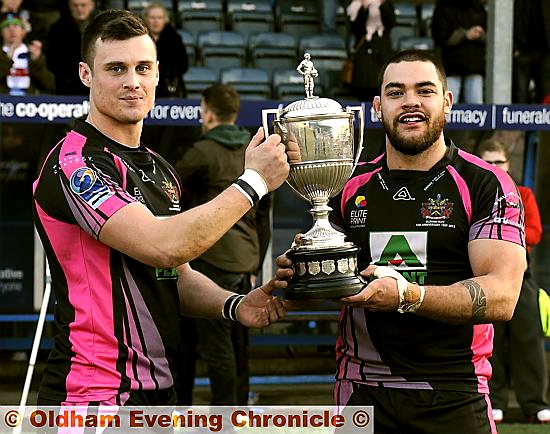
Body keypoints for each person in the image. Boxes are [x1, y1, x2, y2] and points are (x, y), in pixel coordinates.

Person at [32, 9, 290, 408]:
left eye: (142, 68)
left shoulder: (159, 166)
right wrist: (253, 182)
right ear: (86, 75)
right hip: (94, 398)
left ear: (157, 74)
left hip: (159, 394)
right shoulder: (74, 163)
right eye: (116, 69)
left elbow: (174, 275)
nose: (132, 82)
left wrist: (235, 305)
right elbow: (165, 246)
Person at [275, 49, 526, 433]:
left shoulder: (485, 183)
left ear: (447, 101)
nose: (410, 101)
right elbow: (336, 278)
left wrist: (410, 296)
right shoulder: (346, 186)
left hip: (454, 390)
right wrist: (303, 269)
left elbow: (503, 295)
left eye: (424, 90)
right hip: (362, 390)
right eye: (395, 93)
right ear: (377, 107)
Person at [175, 84, 272, 405]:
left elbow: (167, 191)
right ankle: (237, 411)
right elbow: (264, 219)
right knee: (237, 342)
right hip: (245, 262)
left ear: (209, 113)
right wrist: (255, 264)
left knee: (213, 346)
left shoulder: (201, 152)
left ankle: (220, 419)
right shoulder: (254, 150)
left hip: (208, 261)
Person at [476, 139, 550, 424]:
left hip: (521, 275)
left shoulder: (524, 194)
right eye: (489, 161)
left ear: (508, 164)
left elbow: (534, 233)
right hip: (483, 274)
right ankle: (494, 401)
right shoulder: (474, 191)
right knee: (490, 335)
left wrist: (499, 234)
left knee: (528, 334)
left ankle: (534, 403)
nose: (494, 167)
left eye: (499, 162)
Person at [431, 0, 486, 104]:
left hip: (474, 65)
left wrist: (480, 34)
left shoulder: (478, 8)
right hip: (451, 67)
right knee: (448, 108)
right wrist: (465, 35)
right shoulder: (443, 8)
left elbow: (491, 35)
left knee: (476, 110)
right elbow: (440, 37)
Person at [345, 0, 396, 102]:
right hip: (364, 55)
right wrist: (364, 8)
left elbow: (391, 21)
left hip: (382, 54)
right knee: (363, 94)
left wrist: (381, 4)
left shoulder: (386, 4)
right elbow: (356, 27)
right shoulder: (356, 5)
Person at [46, 0, 96, 95]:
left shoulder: (101, 27)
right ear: (69, 6)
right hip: (67, 88)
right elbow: (53, 61)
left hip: (94, 85)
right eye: (75, 6)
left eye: (83, 5)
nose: (79, 9)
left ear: (92, 6)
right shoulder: (57, 29)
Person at [0, 11, 54, 95]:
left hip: (28, 104)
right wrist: (6, 59)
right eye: (6, 26)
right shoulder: (1, 54)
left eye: (16, 25)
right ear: (1, 31)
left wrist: (37, 62)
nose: (12, 29)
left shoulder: (33, 53)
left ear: (23, 31)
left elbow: (50, 85)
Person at [142, 1, 188, 98]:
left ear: (165, 20)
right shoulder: (138, 39)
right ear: (146, 19)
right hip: (143, 87)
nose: (156, 21)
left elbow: (183, 64)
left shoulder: (174, 39)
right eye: (152, 17)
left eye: (159, 18)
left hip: (168, 90)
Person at [511, 0, 550, 104]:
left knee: (546, 96)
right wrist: (514, 47)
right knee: (520, 95)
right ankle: (518, 120)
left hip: (545, 53)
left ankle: (544, 120)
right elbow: (513, 20)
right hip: (523, 52)